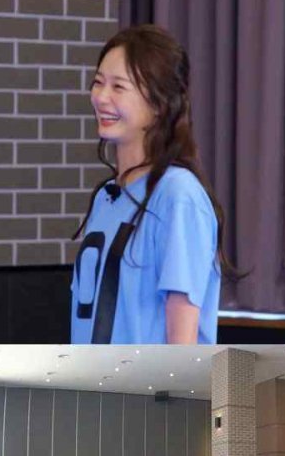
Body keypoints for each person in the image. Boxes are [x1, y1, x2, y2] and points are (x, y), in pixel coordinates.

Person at [70, 24, 236, 344]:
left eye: (119, 87)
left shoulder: (178, 196)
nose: (101, 97)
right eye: (98, 83)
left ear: (159, 103)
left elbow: (182, 344)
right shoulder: (107, 197)